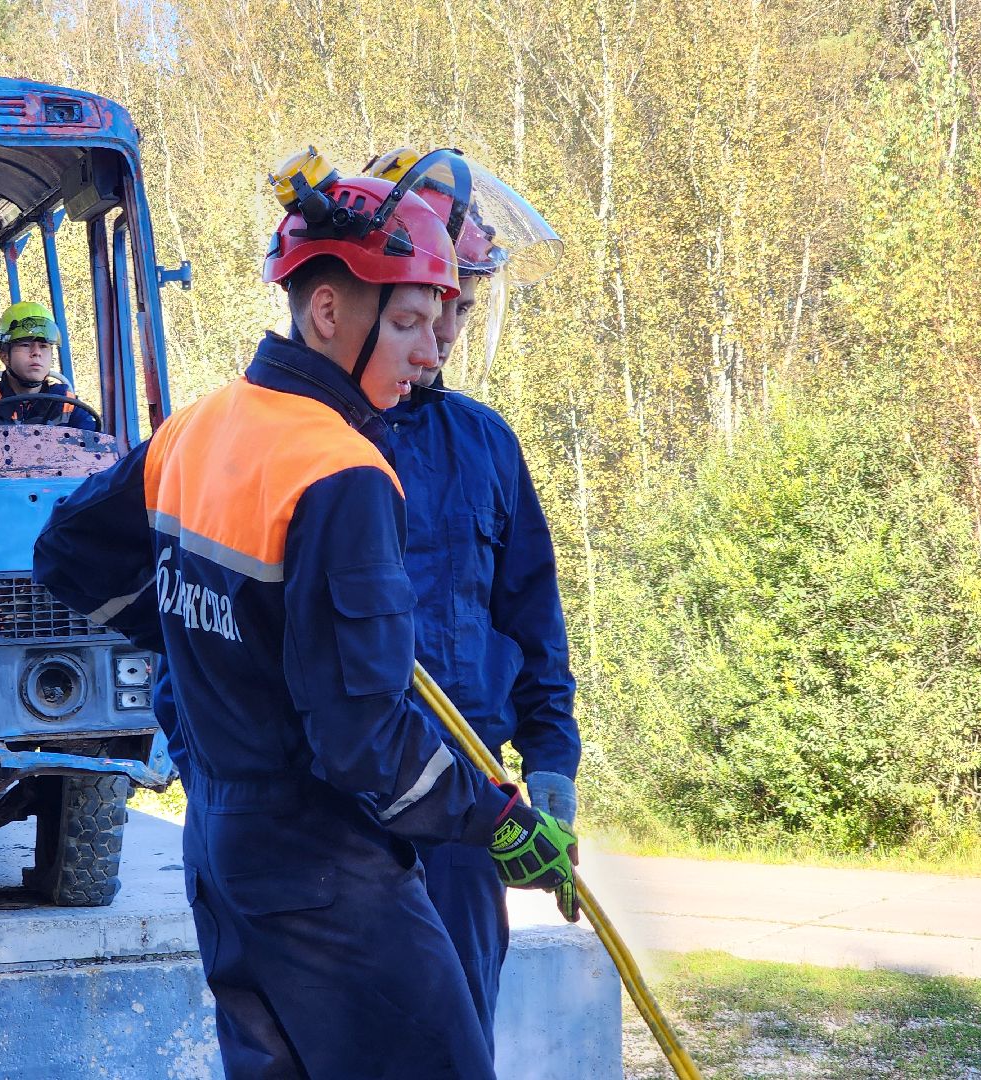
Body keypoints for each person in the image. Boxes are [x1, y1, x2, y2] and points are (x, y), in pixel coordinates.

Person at [33, 152, 576, 1079]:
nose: (434, 344)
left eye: (447, 314)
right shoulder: (339, 467)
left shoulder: (203, 427)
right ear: (332, 310)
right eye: (409, 318)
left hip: (243, 847)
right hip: (336, 850)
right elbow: (360, 737)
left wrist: (210, 638)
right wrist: (496, 818)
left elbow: (72, 551)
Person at [368, 147, 582, 1053]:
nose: (448, 326)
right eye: (432, 299)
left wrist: (554, 775)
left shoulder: (486, 443)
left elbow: (533, 620)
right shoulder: (300, 437)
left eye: (463, 301)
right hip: (340, 824)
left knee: (458, 1049)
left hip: (467, 814)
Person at [0, 301, 99, 429]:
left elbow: (95, 452)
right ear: (4, 355)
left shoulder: (69, 404)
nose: (36, 352)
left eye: (43, 346)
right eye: (25, 345)